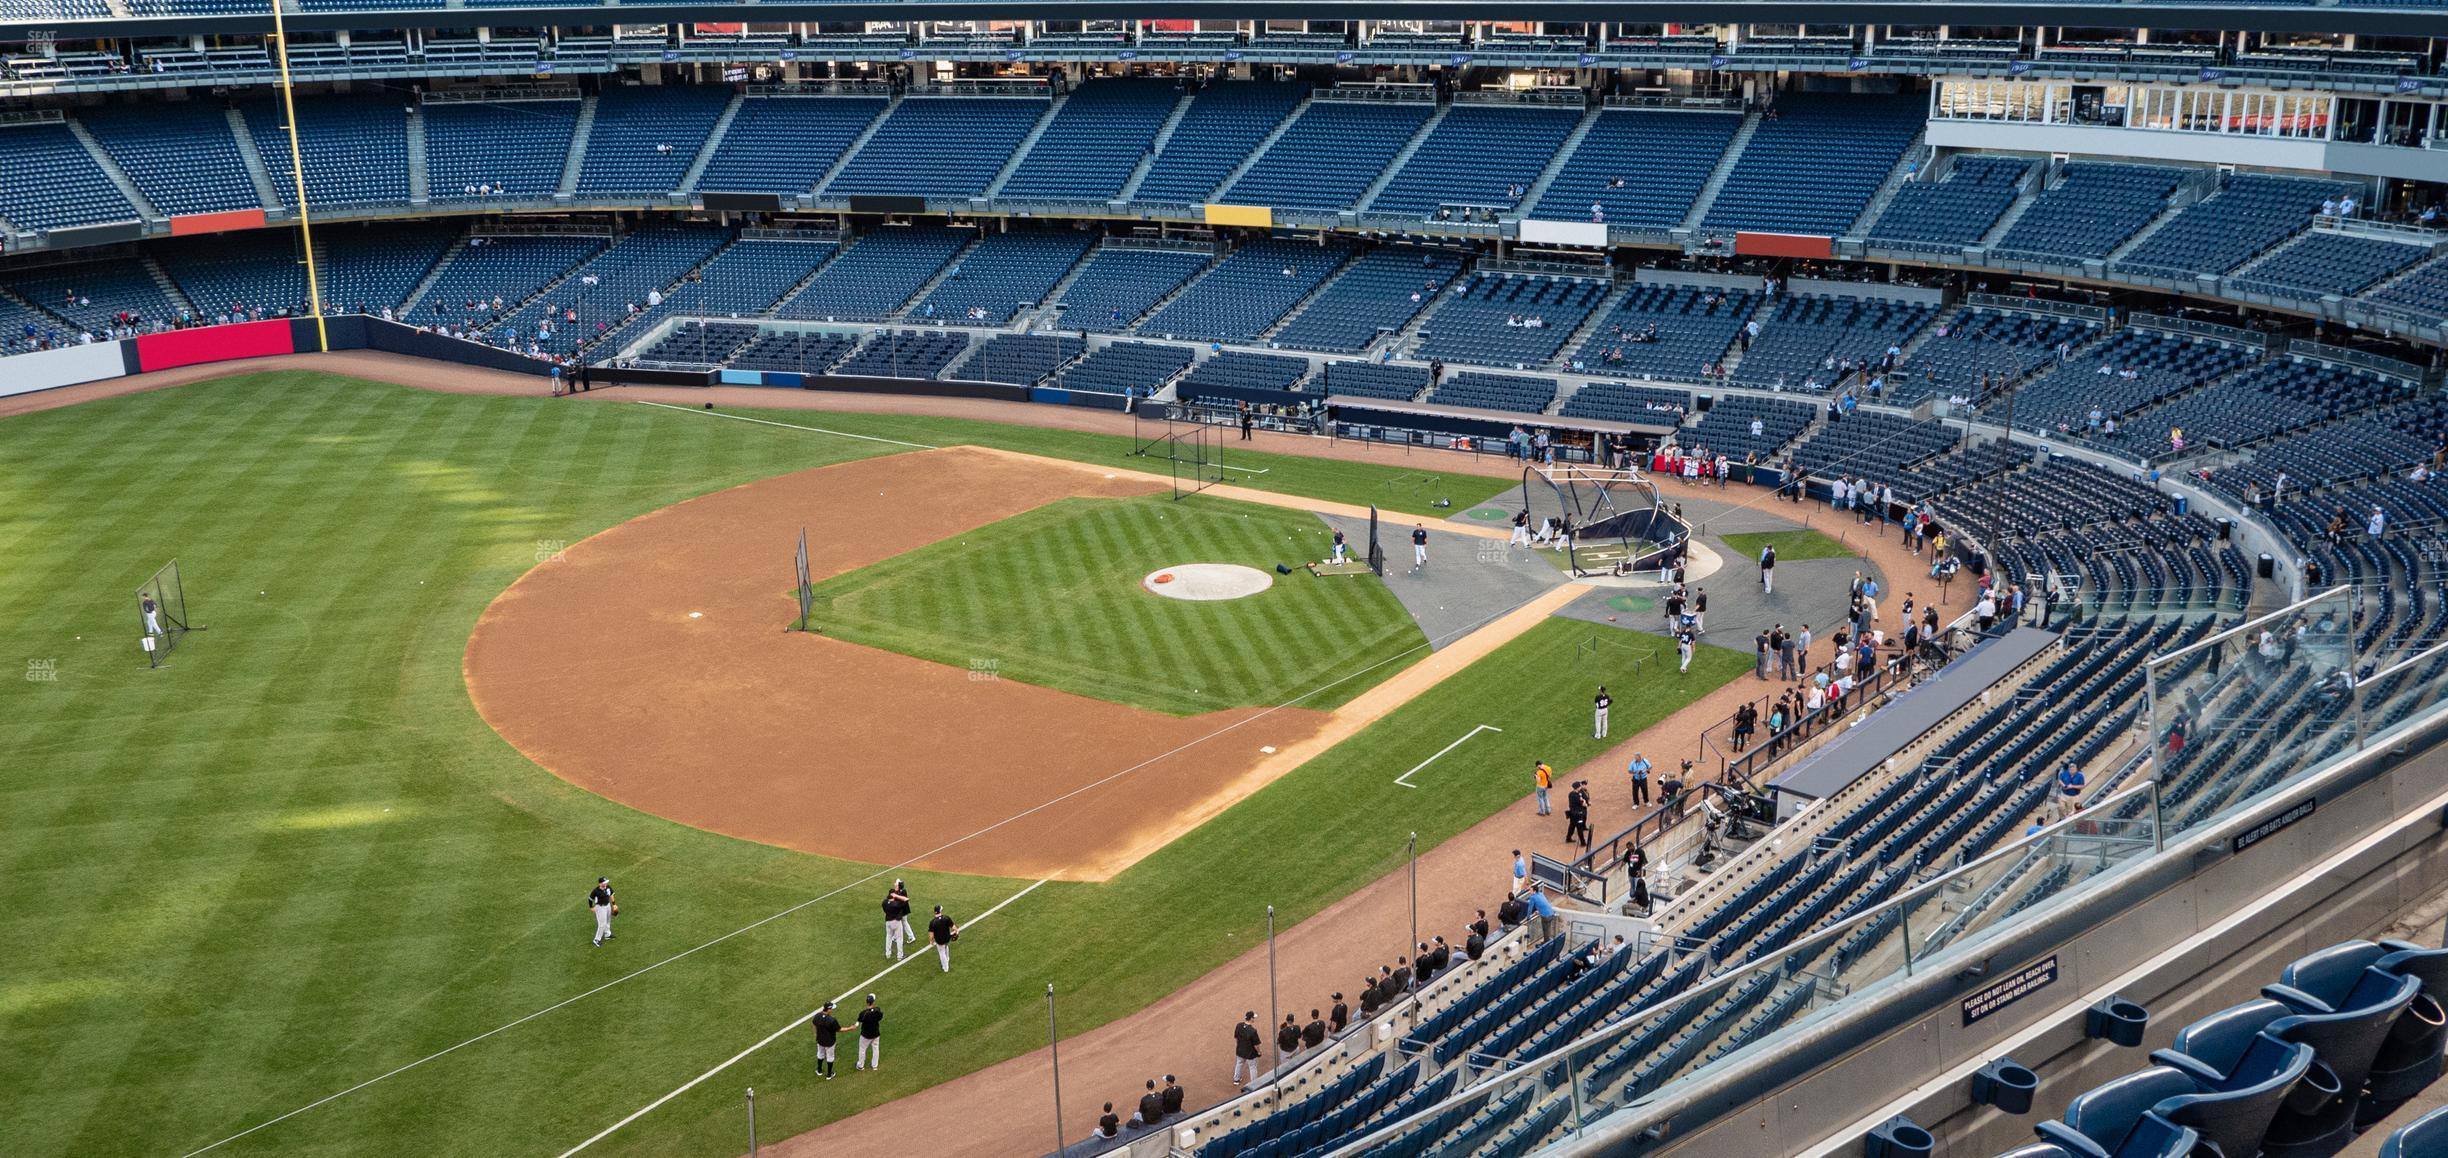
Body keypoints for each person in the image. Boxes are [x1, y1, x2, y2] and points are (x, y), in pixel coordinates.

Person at [809, 1001, 842, 1079]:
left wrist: (816, 1034)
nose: (832, 1010)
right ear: (829, 1009)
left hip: (820, 1040)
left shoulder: (817, 1016)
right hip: (830, 1042)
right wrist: (851, 1028)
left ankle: (819, 1070)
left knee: (820, 1054)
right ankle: (829, 1075)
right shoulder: (832, 1020)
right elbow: (839, 1029)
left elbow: (814, 1024)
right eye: (832, 1009)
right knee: (830, 1057)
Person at [883, 881, 912, 961]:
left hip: (887, 922)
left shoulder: (884, 903)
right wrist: (897, 896)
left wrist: (893, 895)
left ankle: (887, 954)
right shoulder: (896, 904)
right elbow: (906, 899)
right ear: (893, 895)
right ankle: (900, 956)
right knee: (899, 939)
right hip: (896, 922)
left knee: (888, 937)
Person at [1233, 1012, 1263, 1088]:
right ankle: (1254, 1084)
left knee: (1239, 1064)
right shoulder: (1253, 1031)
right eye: (1254, 1017)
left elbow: (1236, 1038)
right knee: (1253, 1067)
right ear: (1251, 1018)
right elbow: (1256, 1044)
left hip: (1240, 1050)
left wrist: (1240, 1045)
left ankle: (1236, 1079)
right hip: (1250, 1053)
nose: (1254, 1019)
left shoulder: (1238, 1025)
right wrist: (1259, 1052)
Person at [855, 994, 884, 1071]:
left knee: (862, 1049)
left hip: (866, 1035)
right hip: (876, 1033)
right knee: (875, 1048)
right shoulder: (878, 1010)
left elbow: (859, 1021)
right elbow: (880, 1016)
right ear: (873, 1002)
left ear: (867, 1002)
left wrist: (855, 1025)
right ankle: (874, 1065)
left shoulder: (863, 1013)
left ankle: (860, 1065)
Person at [587, 876, 617, 947]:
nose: (605, 884)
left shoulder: (608, 887)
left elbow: (611, 895)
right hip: (600, 907)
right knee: (602, 924)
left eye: (606, 882)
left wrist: (614, 904)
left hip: (607, 905)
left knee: (608, 920)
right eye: (604, 883)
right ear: (600, 883)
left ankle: (607, 934)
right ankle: (596, 939)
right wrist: (591, 907)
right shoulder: (596, 891)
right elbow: (590, 899)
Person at [927, 905, 957, 972]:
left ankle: (945, 968)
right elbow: (953, 927)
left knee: (941, 952)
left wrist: (931, 941)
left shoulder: (932, 922)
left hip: (939, 941)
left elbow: (931, 935)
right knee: (946, 947)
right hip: (947, 938)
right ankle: (947, 959)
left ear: (935, 912)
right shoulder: (946, 918)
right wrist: (956, 932)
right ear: (940, 911)